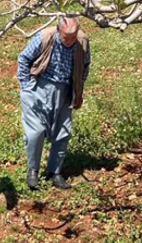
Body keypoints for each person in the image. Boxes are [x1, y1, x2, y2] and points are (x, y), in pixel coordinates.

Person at [17, 16, 90, 190]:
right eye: (66, 37)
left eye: (73, 37)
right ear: (59, 31)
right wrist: (26, 86)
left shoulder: (82, 41)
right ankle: (33, 170)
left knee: (63, 132)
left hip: (65, 90)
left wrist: (78, 89)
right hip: (39, 87)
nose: (70, 41)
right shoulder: (44, 37)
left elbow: (85, 65)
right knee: (36, 132)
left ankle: (55, 172)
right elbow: (23, 58)